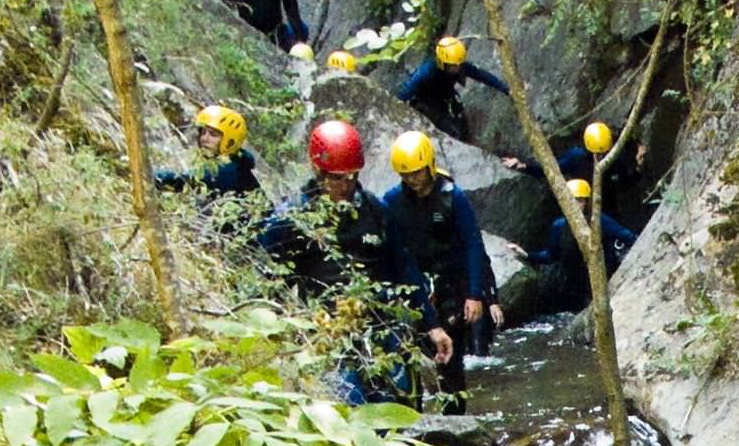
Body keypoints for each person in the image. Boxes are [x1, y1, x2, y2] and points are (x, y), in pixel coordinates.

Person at [260, 119, 450, 403]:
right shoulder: (293, 218)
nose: (346, 186)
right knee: (350, 401)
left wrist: (432, 325)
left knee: (402, 403)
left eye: (352, 176)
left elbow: (404, 269)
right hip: (328, 330)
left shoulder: (374, 210)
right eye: (337, 178)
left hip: (380, 322)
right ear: (318, 171)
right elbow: (263, 268)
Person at [379, 129, 496, 412]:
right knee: (410, 354)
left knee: (451, 359)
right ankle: (412, 416)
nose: (413, 180)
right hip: (414, 285)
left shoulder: (452, 197)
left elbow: (472, 243)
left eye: (417, 173)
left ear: (429, 166)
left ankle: (455, 419)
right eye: (406, 175)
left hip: (451, 285)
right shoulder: (393, 201)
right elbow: (390, 250)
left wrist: (474, 293)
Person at [507, 178, 638, 313]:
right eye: (572, 200)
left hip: (603, 278)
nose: (576, 205)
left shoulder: (599, 220)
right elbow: (551, 255)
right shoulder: (559, 226)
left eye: (580, 200)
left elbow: (627, 236)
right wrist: (527, 254)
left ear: (586, 202)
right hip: (576, 284)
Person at [396, 36, 509, 143]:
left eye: (458, 65)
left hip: (446, 97)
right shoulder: (426, 72)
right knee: (449, 129)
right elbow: (407, 90)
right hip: (426, 103)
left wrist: (505, 88)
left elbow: (481, 75)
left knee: (461, 122)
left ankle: (466, 141)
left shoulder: (459, 65)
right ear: (442, 63)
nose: (457, 69)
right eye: (453, 66)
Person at [153, 104, 260, 204]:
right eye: (203, 133)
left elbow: (182, 181)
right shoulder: (238, 161)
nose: (204, 138)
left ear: (230, 141)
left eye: (213, 135)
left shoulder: (228, 169)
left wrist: (149, 176)